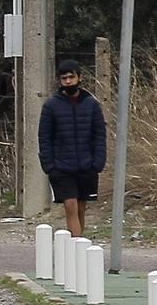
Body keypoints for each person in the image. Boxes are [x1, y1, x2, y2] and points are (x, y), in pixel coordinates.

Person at [38, 59, 107, 238]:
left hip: (86, 165)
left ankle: (79, 246)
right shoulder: (51, 105)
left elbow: (99, 135)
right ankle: (76, 245)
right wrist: (49, 166)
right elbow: (44, 137)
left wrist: (97, 163)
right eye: (64, 78)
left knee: (81, 207)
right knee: (70, 204)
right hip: (61, 167)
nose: (68, 81)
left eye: (71, 77)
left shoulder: (91, 104)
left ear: (79, 77)